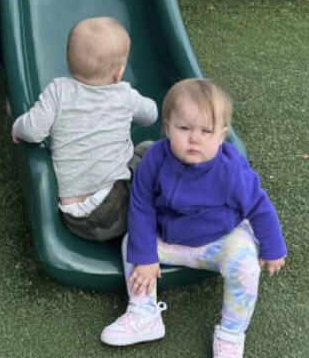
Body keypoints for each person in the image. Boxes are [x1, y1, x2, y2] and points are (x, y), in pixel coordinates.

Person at [101, 79, 286, 358]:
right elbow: (141, 205)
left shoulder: (231, 170)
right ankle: (144, 312)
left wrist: (274, 250)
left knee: (246, 264)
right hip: (171, 238)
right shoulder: (155, 159)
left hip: (220, 239)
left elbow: (259, 206)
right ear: (167, 127)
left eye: (206, 131)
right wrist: (147, 258)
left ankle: (231, 333)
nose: (194, 139)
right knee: (133, 244)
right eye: (184, 128)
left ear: (222, 135)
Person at [11, 18, 158, 240]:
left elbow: (32, 130)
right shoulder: (123, 94)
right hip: (118, 207)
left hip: (77, 220)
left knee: (138, 155)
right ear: (118, 74)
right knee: (151, 150)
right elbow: (151, 115)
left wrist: (17, 126)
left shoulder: (58, 91)